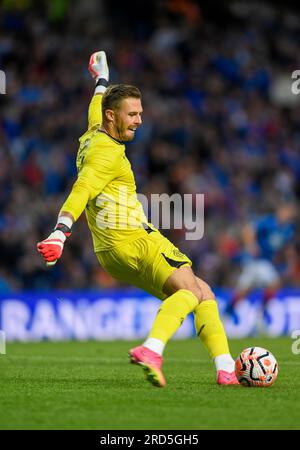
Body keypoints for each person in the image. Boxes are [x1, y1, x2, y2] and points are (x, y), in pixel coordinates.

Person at [37, 51, 238, 387]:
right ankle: (151, 349)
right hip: (135, 239)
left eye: (140, 113)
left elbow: (96, 102)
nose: (139, 120)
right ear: (112, 116)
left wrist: (101, 78)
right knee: (189, 290)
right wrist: (60, 232)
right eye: (132, 114)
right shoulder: (105, 153)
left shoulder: (92, 132)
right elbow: (81, 189)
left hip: (111, 255)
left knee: (204, 293)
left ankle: (226, 367)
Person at [229, 202, 297, 312]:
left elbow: (287, 246)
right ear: (280, 211)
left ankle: (230, 312)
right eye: (286, 212)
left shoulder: (288, 228)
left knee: (244, 291)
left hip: (265, 261)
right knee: (272, 283)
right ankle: (260, 311)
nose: (288, 215)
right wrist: (251, 245)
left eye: (290, 213)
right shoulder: (268, 222)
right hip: (256, 260)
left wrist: (290, 261)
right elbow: (248, 230)